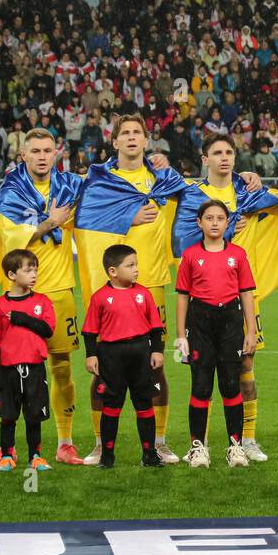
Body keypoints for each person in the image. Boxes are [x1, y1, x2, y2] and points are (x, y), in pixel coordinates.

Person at [74, 116, 185, 464]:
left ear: (146, 140)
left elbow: (201, 198)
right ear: (115, 141)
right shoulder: (101, 181)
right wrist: (127, 219)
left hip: (152, 284)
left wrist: (246, 181)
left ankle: (160, 442)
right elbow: (84, 219)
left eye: (138, 132)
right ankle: (98, 443)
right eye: (126, 133)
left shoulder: (163, 179)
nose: (132, 137)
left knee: (156, 368)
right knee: (102, 369)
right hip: (110, 291)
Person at [168, 133, 278, 462]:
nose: (224, 157)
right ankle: (199, 444)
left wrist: (256, 184)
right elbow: (183, 240)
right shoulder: (193, 196)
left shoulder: (248, 191)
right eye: (216, 152)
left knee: (245, 368)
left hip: (242, 295)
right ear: (204, 159)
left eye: (229, 152)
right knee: (202, 377)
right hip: (204, 302)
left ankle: (246, 439)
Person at [0, 129, 83, 466]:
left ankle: (65, 442)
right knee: (13, 372)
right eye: (36, 151)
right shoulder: (11, 192)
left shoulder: (71, 186)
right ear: (24, 155)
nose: (43, 156)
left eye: (48, 150)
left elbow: (107, 190)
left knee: (61, 368)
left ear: (55, 153)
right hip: (20, 298)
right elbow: (13, 238)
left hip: (59, 291)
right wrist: (51, 222)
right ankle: (9, 447)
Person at [174, 200, 259, 468]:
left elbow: (246, 293)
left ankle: (235, 446)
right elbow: (182, 297)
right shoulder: (189, 255)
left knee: (230, 384)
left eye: (220, 218)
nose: (214, 222)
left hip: (230, 322)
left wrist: (251, 329)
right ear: (199, 223)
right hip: (200, 322)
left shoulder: (238, 254)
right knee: (200, 385)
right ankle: (198, 447)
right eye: (208, 218)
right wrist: (181, 335)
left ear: (227, 223)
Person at [82, 244, 165, 469]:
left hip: (140, 353)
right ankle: (107, 456)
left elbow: (156, 328)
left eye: (136, 264)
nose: (136, 269)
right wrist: (91, 356)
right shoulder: (100, 297)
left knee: (144, 403)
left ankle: (149, 454)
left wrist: (157, 350)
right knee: (111, 405)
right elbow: (89, 331)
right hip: (111, 356)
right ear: (113, 271)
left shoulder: (143, 293)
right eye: (130, 265)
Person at [0, 248, 56, 472]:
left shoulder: (42, 301)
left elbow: (47, 329)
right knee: (8, 416)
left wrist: (23, 318)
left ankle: (35, 456)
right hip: (8, 370)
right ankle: (7, 455)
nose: (34, 274)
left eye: (35, 269)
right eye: (28, 270)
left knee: (34, 415)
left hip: (35, 368)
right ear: (12, 275)